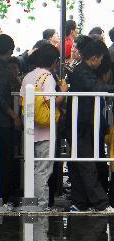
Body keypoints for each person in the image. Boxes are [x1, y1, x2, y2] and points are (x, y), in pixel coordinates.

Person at [67, 40, 114, 212]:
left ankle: (79, 202)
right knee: (87, 165)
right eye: (100, 59)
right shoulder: (84, 73)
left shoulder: (81, 71)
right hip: (83, 125)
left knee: (81, 164)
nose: (101, 62)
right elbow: (97, 88)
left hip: (82, 125)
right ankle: (101, 204)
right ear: (94, 58)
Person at [20, 44, 68, 210]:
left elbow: (22, 101)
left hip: (29, 130)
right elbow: (52, 102)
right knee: (43, 170)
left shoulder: (29, 76)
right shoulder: (47, 77)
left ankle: (30, 201)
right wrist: (63, 92)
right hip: (46, 130)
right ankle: (40, 204)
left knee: (32, 167)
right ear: (54, 61)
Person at [0, 34, 21, 207]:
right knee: (6, 159)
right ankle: (5, 196)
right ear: (10, 49)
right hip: (3, 121)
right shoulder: (2, 68)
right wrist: (13, 115)